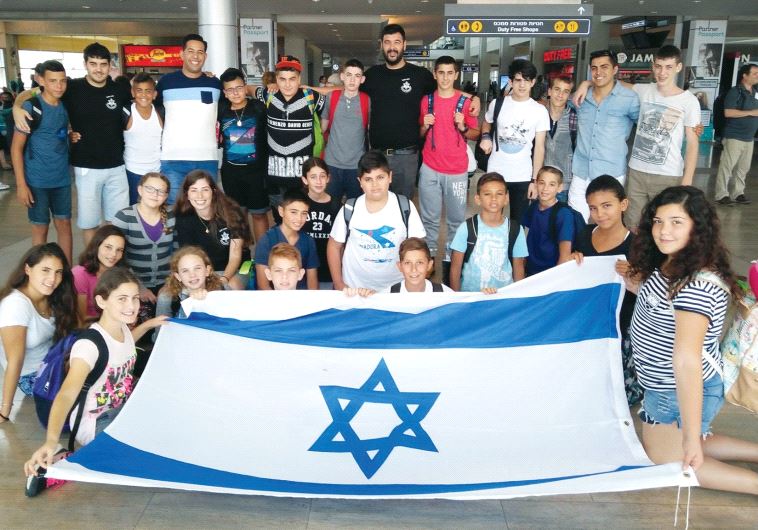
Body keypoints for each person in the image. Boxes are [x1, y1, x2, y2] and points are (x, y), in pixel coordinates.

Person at [624, 186, 758, 495]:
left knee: (669, 458)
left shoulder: (696, 286)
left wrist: (689, 433)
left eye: (676, 222)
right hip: (665, 384)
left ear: (697, 227)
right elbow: (664, 310)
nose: (663, 230)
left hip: (677, 387)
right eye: (658, 221)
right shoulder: (674, 263)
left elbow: (687, 361)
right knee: (685, 443)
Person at [23, 268, 166, 473]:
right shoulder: (88, 346)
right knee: (149, 456)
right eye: (122, 299)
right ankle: (60, 453)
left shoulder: (122, 327)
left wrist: (150, 324)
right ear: (101, 302)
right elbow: (66, 395)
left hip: (120, 410)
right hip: (95, 422)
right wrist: (50, 442)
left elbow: (122, 347)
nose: (132, 306)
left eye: (135, 298)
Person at [14, 43, 131, 245]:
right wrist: (16, 107)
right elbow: (38, 93)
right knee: (89, 223)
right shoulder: (72, 88)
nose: (98, 69)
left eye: (103, 64)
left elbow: (143, 96)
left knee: (117, 222)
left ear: (110, 65)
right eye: (93, 63)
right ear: (85, 64)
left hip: (117, 166)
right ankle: (92, 269)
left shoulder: (119, 88)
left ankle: (113, 269)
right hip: (86, 166)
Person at [361, 24, 479, 200]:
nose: (392, 47)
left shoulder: (419, 75)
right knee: (377, 202)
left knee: (403, 204)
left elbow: (445, 88)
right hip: (377, 154)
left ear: (404, 45)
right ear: (381, 45)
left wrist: (473, 98)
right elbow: (349, 87)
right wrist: (310, 88)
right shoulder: (372, 75)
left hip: (407, 156)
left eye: (397, 42)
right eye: (387, 42)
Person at [571, 175, 641, 405]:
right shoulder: (583, 236)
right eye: (593, 208)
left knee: (616, 394)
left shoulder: (637, 246)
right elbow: (570, 280)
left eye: (607, 205)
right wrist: (573, 264)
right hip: (588, 325)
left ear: (624, 204)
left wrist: (636, 277)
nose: (599, 213)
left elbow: (653, 292)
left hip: (622, 328)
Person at [623, 46, 700, 229]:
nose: (662, 72)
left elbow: (692, 144)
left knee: (663, 227)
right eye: (658, 66)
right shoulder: (643, 90)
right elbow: (612, 84)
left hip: (668, 175)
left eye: (668, 67)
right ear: (653, 66)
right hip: (637, 172)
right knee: (633, 225)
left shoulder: (688, 101)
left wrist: (687, 181)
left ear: (678, 67)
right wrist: (586, 84)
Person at [0, 243, 77, 424]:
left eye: (58, 272)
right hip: (33, 377)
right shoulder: (15, 305)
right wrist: (4, 410)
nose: (53, 278)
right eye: (46, 270)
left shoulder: (53, 295)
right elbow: (14, 361)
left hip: (56, 361)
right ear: (28, 268)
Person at [328, 150, 425, 291]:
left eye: (380, 177)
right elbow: (334, 246)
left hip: (396, 290)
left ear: (390, 177)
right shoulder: (349, 208)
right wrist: (339, 283)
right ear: (359, 182)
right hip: (355, 290)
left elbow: (419, 247)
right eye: (368, 179)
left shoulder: (405, 207)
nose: (375, 184)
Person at [419, 55, 479, 282]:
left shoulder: (465, 103)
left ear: (456, 75)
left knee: (455, 220)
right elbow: (421, 134)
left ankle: (451, 261)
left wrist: (462, 125)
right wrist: (425, 126)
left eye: (449, 73)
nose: (445, 77)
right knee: (430, 220)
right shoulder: (427, 101)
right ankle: (431, 261)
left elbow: (474, 133)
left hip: (456, 170)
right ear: (435, 74)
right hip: (430, 168)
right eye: (441, 72)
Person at [10, 60, 73, 265]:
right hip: (36, 181)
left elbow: (60, 133)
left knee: (64, 224)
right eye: (52, 81)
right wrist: (21, 185)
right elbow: (16, 148)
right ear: (40, 81)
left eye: (62, 81)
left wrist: (71, 136)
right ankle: (37, 274)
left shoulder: (65, 105)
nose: (58, 86)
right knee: (40, 227)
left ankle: (67, 274)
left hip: (61, 179)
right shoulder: (32, 107)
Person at [569, 50, 640, 221]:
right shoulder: (580, 98)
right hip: (581, 171)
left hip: (612, 173)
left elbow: (646, 127)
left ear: (615, 69)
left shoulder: (629, 98)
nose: (598, 72)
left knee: (608, 224)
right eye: (594, 68)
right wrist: (585, 84)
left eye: (604, 67)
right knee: (576, 223)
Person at [479, 59, 549, 224]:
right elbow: (487, 122)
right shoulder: (498, 104)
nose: (522, 85)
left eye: (527, 80)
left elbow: (539, 148)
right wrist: (486, 136)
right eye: (518, 80)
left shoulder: (539, 111)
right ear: (511, 81)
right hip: (496, 172)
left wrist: (534, 181)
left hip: (523, 176)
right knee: (492, 219)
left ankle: (513, 250)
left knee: (518, 224)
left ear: (533, 82)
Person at [254, 55, 325, 216]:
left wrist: (315, 88)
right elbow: (248, 89)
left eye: (292, 79)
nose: (287, 84)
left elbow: (334, 93)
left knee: (302, 220)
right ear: (276, 80)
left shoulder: (311, 97)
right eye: (282, 79)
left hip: (302, 179)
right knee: (280, 221)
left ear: (299, 79)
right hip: (275, 177)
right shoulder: (268, 95)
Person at [156, 34, 222, 205]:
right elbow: (151, 110)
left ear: (205, 56)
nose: (196, 56)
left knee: (206, 209)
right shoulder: (166, 82)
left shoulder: (214, 83)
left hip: (207, 158)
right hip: (173, 159)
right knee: (174, 209)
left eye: (200, 52)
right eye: (191, 51)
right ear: (182, 54)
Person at [449, 172, 527, 293]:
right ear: (478, 199)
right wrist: (456, 300)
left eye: (499, 194)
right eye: (487, 194)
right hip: (471, 298)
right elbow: (455, 268)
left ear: (506, 198)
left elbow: (519, 268)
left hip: (502, 298)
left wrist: (518, 299)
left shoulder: (516, 230)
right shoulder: (467, 228)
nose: (494, 198)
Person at [174, 170, 251, 290]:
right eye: (194, 190)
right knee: (168, 296)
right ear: (187, 194)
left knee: (230, 287)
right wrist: (201, 280)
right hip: (202, 272)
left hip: (236, 268)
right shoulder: (183, 218)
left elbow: (235, 256)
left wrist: (223, 280)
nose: (200, 196)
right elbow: (189, 255)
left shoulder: (232, 213)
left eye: (205, 189)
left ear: (214, 192)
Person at [218, 67, 269, 243]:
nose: (235, 93)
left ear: (245, 87)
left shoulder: (258, 108)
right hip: (231, 174)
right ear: (224, 93)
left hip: (256, 173)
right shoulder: (221, 110)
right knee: (238, 217)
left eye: (239, 87)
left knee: (259, 215)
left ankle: (261, 255)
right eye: (230, 89)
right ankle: (243, 255)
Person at [112, 172, 175, 308]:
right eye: (149, 189)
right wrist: (138, 287)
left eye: (160, 191)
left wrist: (171, 282)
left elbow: (179, 251)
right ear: (140, 190)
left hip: (167, 283)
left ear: (166, 196)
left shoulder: (171, 216)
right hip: (132, 283)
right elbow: (117, 259)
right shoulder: (124, 217)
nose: (155, 194)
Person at [321, 58, 370, 201]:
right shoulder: (332, 97)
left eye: (357, 76)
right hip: (332, 163)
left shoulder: (367, 100)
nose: (352, 80)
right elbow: (323, 128)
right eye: (349, 75)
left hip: (356, 165)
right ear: (342, 77)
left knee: (355, 208)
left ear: (362, 79)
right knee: (331, 206)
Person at [254, 188, 319, 290]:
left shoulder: (308, 240)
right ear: (281, 211)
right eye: (294, 212)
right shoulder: (267, 239)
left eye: (304, 213)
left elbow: (312, 282)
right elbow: (263, 285)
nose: (299, 218)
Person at [714, 63, 758, 206]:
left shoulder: (755, 92)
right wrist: (751, 113)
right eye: (755, 73)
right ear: (745, 76)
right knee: (727, 166)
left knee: (743, 168)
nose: (757, 76)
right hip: (734, 136)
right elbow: (729, 112)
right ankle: (721, 194)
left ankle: (738, 193)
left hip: (749, 137)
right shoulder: (735, 92)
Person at [522, 166, 576, 276]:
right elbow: (525, 239)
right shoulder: (533, 207)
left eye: (552, 184)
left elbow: (564, 256)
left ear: (560, 188)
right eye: (542, 183)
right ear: (536, 183)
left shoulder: (564, 214)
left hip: (550, 274)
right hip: (530, 271)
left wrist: (553, 281)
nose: (545, 188)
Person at [72, 225, 126, 323]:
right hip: (88, 329)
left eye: (119, 250)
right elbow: (82, 318)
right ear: (96, 246)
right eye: (108, 247)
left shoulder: (120, 274)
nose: (113, 254)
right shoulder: (79, 274)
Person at [123, 73, 163, 205]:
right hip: (132, 172)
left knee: (155, 208)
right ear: (133, 92)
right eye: (139, 91)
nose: (144, 95)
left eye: (148, 91)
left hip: (157, 170)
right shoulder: (126, 112)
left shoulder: (161, 112)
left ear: (155, 94)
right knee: (135, 210)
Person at [301, 158, 341, 289]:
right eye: (313, 177)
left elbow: (341, 244)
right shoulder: (298, 204)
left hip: (328, 270)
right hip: (301, 270)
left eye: (322, 176)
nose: (318, 181)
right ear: (305, 180)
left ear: (328, 178)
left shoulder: (337, 206)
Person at [155, 246, 224, 320]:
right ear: (178, 276)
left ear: (207, 271)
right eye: (185, 271)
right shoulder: (166, 298)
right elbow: (161, 329)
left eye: (197, 268)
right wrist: (191, 302)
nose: (192, 275)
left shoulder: (221, 288)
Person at [543, 75, 577, 203]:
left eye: (566, 91)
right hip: (541, 180)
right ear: (549, 91)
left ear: (569, 95)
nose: (560, 95)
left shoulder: (574, 117)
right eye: (557, 89)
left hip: (563, 182)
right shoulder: (539, 113)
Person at [386, 237, 452, 293]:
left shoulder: (446, 295)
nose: (414, 269)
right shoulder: (386, 297)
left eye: (419, 262)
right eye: (407, 263)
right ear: (400, 266)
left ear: (429, 265)